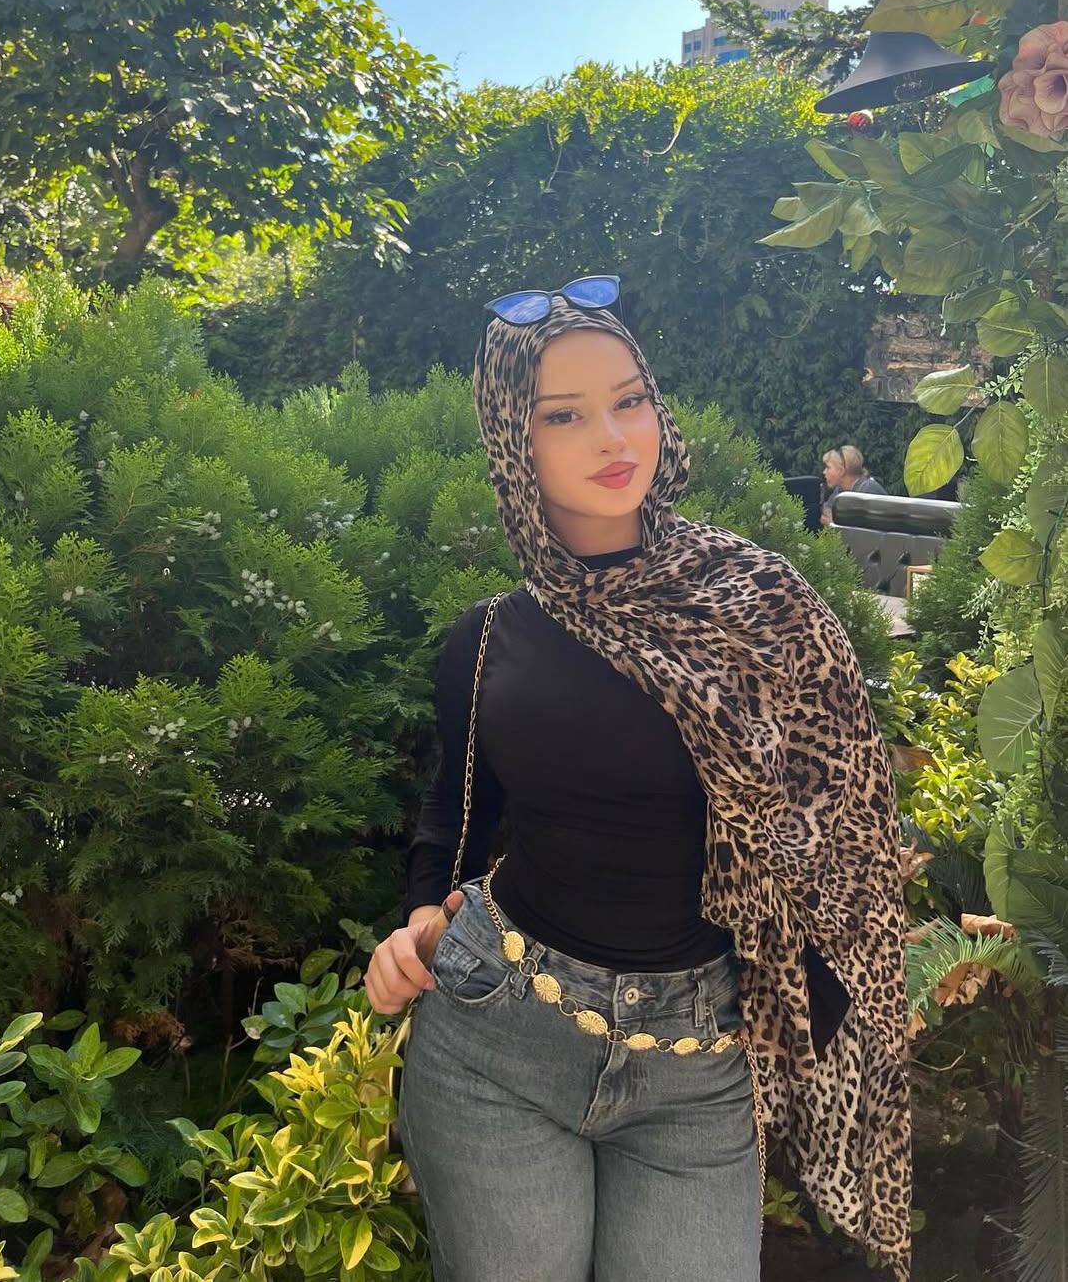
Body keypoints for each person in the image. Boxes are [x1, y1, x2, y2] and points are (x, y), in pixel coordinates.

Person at [364, 276, 911, 1282]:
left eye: (628, 399)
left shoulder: (760, 606)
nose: (612, 437)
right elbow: (453, 817)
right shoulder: (486, 642)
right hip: (497, 1039)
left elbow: (848, 832)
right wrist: (416, 923)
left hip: (695, 1070)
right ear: (513, 443)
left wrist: (818, 1002)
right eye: (562, 415)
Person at [820, 443, 888, 528]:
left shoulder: (868, 491)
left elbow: (867, 532)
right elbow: (827, 508)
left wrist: (833, 524)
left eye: (828, 467)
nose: (824, 472)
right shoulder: (840, 489)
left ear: (841, 471)